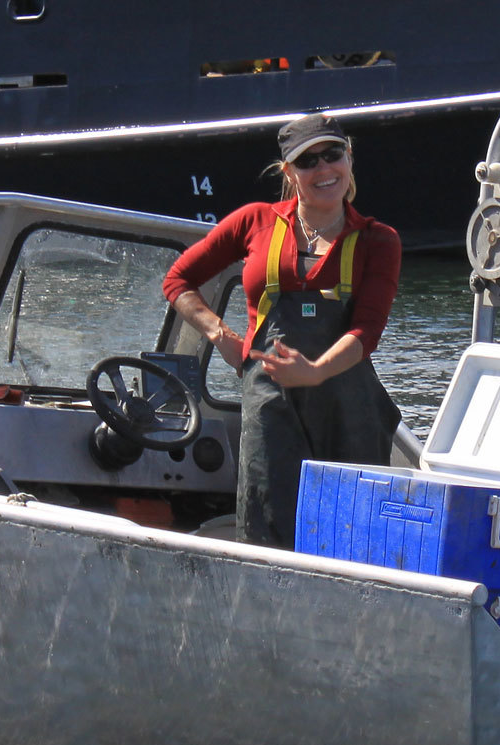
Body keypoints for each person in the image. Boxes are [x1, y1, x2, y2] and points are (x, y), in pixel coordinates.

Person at [163, 112, 402, 547]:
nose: (324, 169)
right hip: (270, 408)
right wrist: (222, 337)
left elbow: (368, 331)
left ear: (349, 157)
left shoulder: (378, 239)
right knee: (267, 530)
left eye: (333, 155)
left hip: (350, 413)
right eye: (308, 161)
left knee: (352, 533)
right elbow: (178, 281)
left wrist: (316, 370)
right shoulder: (254, 221)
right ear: (289, 172)